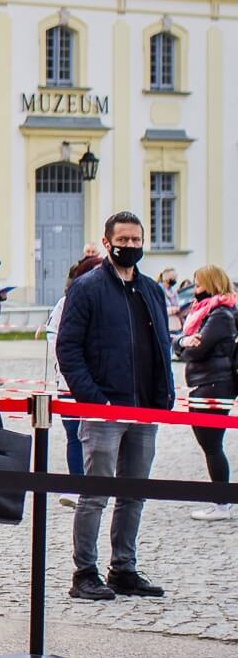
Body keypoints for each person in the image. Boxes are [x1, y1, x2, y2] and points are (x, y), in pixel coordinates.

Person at [57, 211, 172, 601]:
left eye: (136, 240)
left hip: (144, 410)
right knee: (95, 494)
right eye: (123, 240)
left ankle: (123, 568)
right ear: (107, 242)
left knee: (133, 493)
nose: (130, 246)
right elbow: (68, 349)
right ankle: (84, 573)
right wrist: (94, 398)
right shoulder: (87, 288)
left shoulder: (151, 290)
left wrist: (163, 396)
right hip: (104, 408)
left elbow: (162, 346)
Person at [179, 265, 236, 520]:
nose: (196, 289)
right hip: (206, 383)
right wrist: (183, 343)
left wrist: (183, 346)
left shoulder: (220, 314)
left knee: (212, 445)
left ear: (212, 284)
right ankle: (221, 501)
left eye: (199, 284)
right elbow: (184, 343)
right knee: (210, 445)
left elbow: (197, 350)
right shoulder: (207, 312)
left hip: (214, 384)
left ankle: (222, 504)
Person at [48, 255, 108, 482]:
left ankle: (97, 485)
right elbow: (56, 342)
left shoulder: (110, 302)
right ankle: (78, 484)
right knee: (74, 436)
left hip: (101, 383)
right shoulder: (64, 304)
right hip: (70, 383)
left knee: (101, 439)